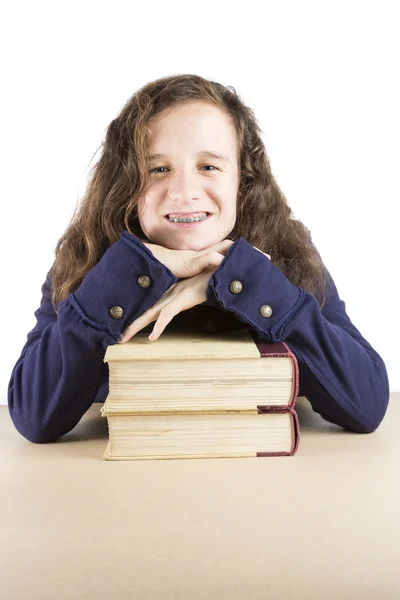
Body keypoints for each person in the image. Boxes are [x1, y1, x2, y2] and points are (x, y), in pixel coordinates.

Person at [8, 74, 389, 443]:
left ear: (243, 180)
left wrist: (239, 278)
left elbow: (366, 405)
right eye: (158, 169)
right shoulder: (85, 260)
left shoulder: (292, 256)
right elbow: (33, 417)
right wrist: (134, 272)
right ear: (126, 184)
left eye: (209, 166)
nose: (185, 191)